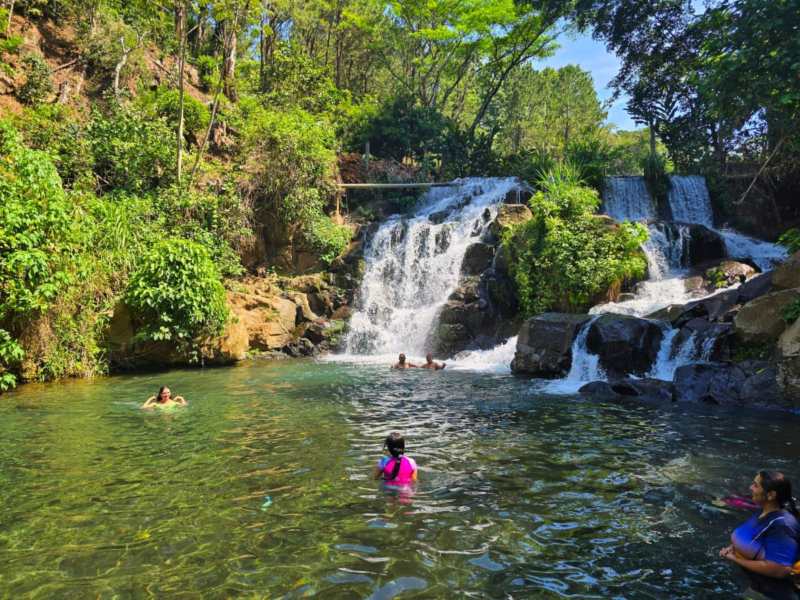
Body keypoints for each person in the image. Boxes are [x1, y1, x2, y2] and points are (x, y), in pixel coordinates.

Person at [720, 470, 800, 600]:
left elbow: (780, 569)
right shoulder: (764, 510)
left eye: (756, 485)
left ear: (771, 495)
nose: (750, 487)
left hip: (771, 590)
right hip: (752, 578)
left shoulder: (782, 525)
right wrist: (733, 547)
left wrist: (735, 559)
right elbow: (752, 538)